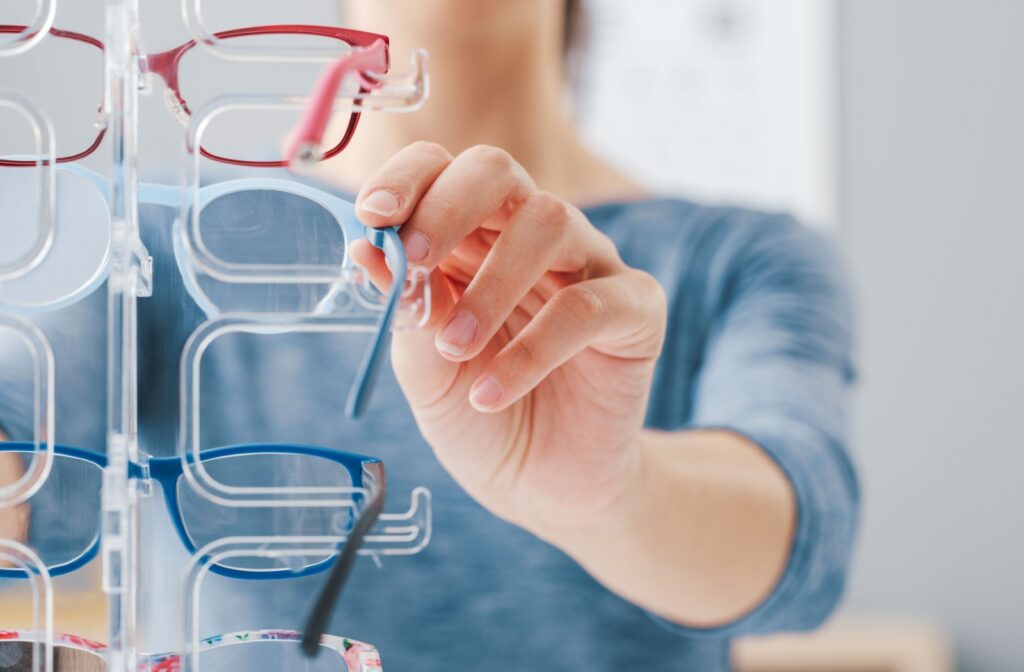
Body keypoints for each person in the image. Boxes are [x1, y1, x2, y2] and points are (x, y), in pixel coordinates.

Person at [0, 1, 858, 669]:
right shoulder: (154, 238)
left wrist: (605, 491)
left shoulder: (743, 258)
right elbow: (19, 469)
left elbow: (797, 546)